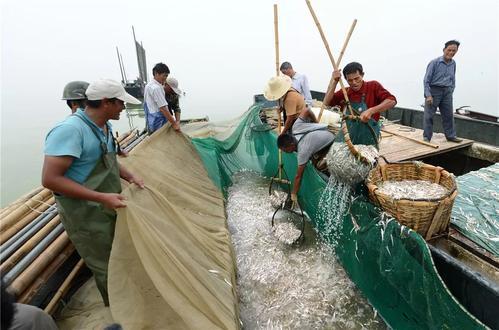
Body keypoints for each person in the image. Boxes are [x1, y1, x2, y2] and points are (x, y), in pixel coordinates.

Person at [42, 79, 145, 306]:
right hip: (86, 212)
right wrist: (101, 197)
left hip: (108, 204)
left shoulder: (103, 126)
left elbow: (107, 161)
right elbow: (50, 179)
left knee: (120, 254)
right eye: (120, 103)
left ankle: (129, 299)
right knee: (106, 264)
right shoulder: (70, 131)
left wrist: (130, 176)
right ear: (106, 102)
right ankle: (120, 310)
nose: (123, 108)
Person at [323, 62, 397, 145]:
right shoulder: (345, 92)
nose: (354, 82)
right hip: (348, 136)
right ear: (346, 79)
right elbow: (326, 103)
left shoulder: (373, 86)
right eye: (350, 80)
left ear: (362, 75)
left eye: (357, 78)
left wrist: (371, 110)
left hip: (368, 137)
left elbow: (392, 101)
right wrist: (335, 82)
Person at [277, 111, 335, 204]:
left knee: (320, 168)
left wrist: (294, 194)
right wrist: (316, 123)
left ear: (291, 145)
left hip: (332, 143)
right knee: (313, 159)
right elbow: (307, 111)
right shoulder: (296, 127)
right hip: (326, 132)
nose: (286, 153)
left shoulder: (302, 151)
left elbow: (298, 176)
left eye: (286, 150)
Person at [423, 40, 462, 142]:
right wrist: (428, 95)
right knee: (429, 116)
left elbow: (453, 79)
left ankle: (451, 136)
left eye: (454, 51)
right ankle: (427, 137)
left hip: (447, 92)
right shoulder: (434, 63)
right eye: (449, 50)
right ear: (444, 50)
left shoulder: (453, 63)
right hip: (434, 91)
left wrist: (451, 90)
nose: (451, 52)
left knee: (448, 115)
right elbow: (426, 80)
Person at [143, 63, 180, 133]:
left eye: (166, 76)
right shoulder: (156, 88)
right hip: (158, 120)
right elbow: (163, 108)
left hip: (151, 118)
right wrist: (174, 124)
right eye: (164, 75)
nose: (165, 78)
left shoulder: (149, 85)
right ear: (156, 73)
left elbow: (176, 108)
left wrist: (176, 121)